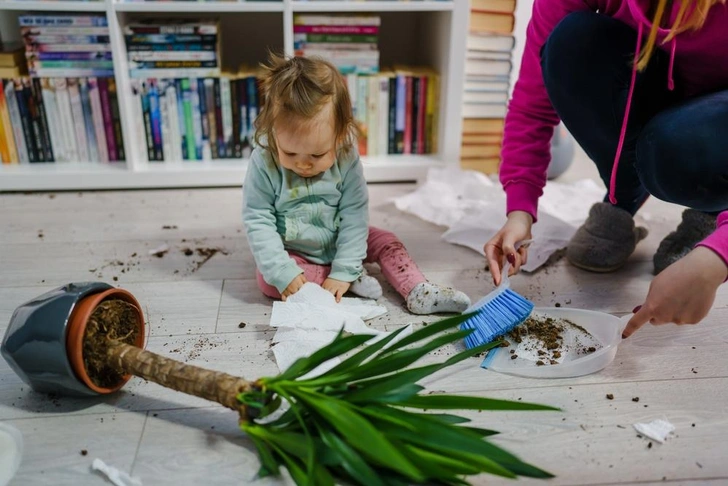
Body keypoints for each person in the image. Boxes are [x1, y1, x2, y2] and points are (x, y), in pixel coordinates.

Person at [484, 0, 728, 338]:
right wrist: (520, 210)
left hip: (715, 127)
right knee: (573, 42)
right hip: (651, 99)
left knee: (675, 145)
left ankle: (711, 210)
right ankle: (623, 194)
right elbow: (532, 102)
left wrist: (715, 259)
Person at [242, 53, 470, 315]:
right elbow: (258, 217)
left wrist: (345, 263)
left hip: (342, 234)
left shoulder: (346, 154)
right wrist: (283, 270)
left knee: (386, 241)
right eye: (290, 154)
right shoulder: (264, 158)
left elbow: (354, 213)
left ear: (340, 136)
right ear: (273, 133)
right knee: (269, 280)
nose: (303, 165)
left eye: (317, 155)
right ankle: (348, 277)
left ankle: (418, 289)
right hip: (295, 247)